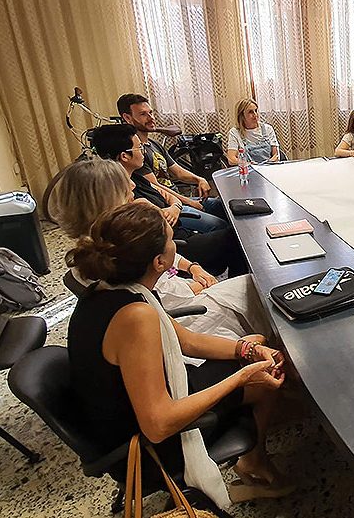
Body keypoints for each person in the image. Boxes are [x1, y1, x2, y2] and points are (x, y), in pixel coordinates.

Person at [66, 203, 293, 502]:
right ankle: (254, 461)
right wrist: (241, 378)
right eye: (172, 240)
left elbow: (187, 341)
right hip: (145, 449)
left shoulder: (107, 289)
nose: (176, 246)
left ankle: (251, 456)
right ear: (160, 262)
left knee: (251, 347)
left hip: (130, 411)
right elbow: (159, 425)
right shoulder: (135, 316)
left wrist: (247, 349)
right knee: (261, 381)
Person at [47, 158, 272, 342]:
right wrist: (201, 283)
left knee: (255, 289)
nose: (133, 185)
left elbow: (160, 257)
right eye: (124, 184)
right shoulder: (114, 253)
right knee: (263, 295)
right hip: (183, 317)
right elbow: (159, 299)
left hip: (182, 298)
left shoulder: (105, 241)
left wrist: (192, 267)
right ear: (104, 199)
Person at [90, 123, 247, 277]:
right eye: (139, 148)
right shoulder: (125, 194)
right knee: (235, 236)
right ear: (124, 156)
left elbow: (168, 195)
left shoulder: (136, 176)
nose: (143, 151)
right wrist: (171, 208)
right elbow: (161, 224)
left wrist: (174, 207)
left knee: (225, 208)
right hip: (172, 245)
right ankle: (241, 283)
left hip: (178, 229)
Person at [118, 93, 228, 231]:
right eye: (143, 114)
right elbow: (155, 186)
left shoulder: (154, 144)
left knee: (225, 207)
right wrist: (188, 202)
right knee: (220, 226)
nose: (151, 118)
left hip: (178, 201)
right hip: (168, 208)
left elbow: (178, 172)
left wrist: (199, 179)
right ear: (127, 118)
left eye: (151, 113)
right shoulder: (135, 155)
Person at [225, 98, 280, 165]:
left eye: (256, 110)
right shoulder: (235, 132)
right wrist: (247, 163)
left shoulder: (268, 129)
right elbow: (231, 159)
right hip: (249, 170)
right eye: (250, 112)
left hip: (268, 168)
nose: (255, 114)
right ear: (242, 115)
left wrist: (267, 164)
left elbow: (276, 155)